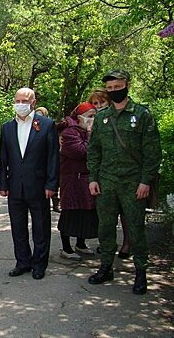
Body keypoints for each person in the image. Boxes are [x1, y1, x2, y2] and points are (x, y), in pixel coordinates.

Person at [87, 69, 162, 294]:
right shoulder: (102, 116)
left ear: (127, 85)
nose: (113, 91)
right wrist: (93, 178)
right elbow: (94, 151)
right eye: (110, 89)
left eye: (117, 87)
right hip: (106, 182)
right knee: (106, 227)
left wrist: (145, 181)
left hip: (133, 183)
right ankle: (106, 267)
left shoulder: (141, 114)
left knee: (136, 228)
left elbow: (152, 152)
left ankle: (140, 272)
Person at [0, 87, 59, 280]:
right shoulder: (7, 127)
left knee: (40, 227)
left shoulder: (47, 125)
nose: (21, 104)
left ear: (33, 102)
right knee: (18, 226)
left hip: (39, 186)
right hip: (15, 186)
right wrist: (3, 184)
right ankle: (22, 261)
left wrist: (51, 185)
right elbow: (4, 158)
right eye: (18, 101)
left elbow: (53, 158)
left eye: (25, 101)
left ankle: (39, 264)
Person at [88, 88, 130, 258]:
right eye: (95, 103)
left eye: (102, 102)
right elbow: (93, 152)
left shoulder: (129, 116)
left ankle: (128, 243)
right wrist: (93, 177)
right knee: (106, 216)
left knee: (127, 213)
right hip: (104, 176)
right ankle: (106, 250)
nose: (98, 106)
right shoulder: (96, 120)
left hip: (128, 177)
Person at [58, 102, 98, 261]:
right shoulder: (69, 133)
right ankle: (66, 248)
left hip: (86, 180)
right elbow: (82, 152)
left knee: (86, 212)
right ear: (80, 117)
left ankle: (80, 243)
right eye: (90, 116)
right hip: (72, 180)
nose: (93, 119)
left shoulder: (86, 131)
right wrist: (89, 134)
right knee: (70, 213)